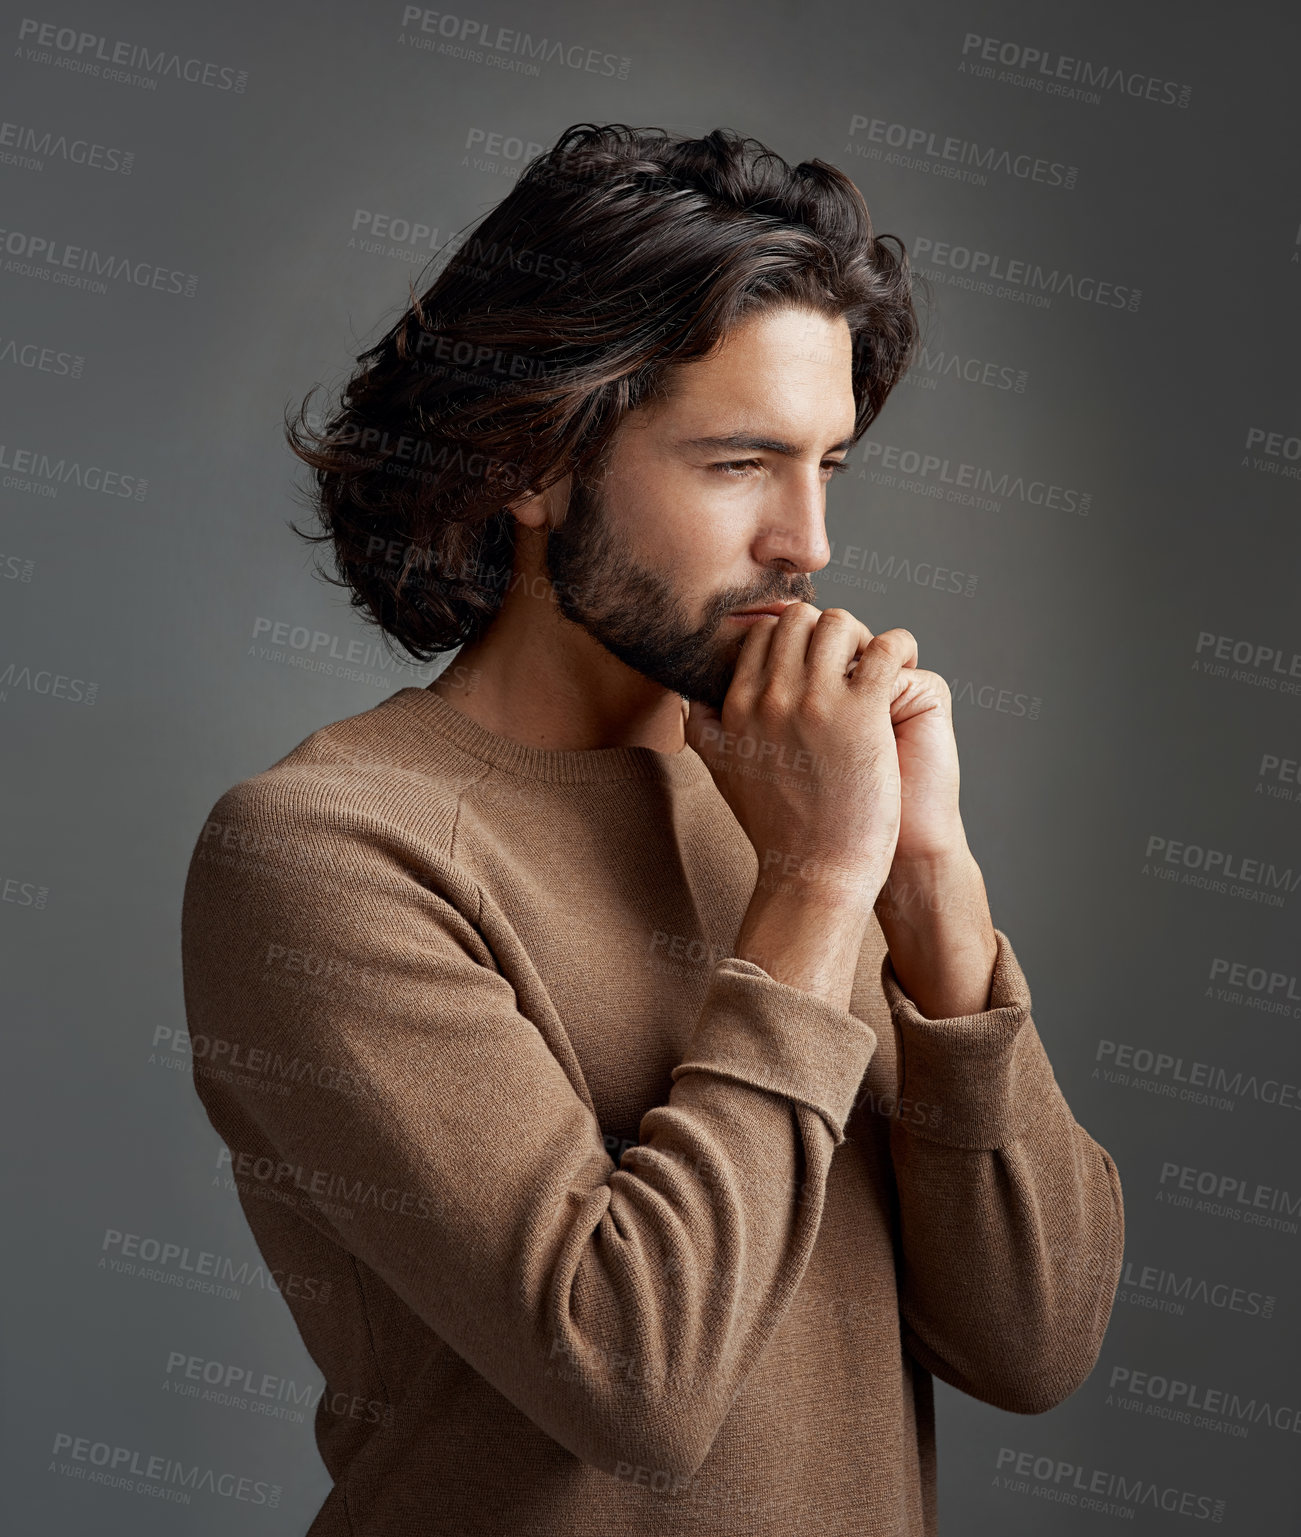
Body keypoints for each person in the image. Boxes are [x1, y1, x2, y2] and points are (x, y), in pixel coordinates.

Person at [180, 122, 1124, 1536]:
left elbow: (1033, 1340)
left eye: (829, 467)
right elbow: (630, 1378)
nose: (804, 540)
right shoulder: (329, 850)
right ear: (533, 461)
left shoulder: (817, 805)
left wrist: (929, 889)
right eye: (741, 462)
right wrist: (814, 885)